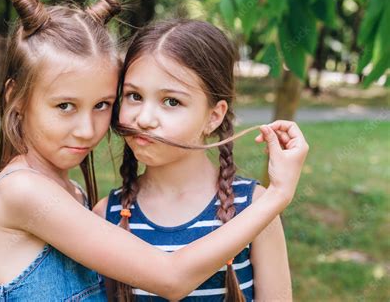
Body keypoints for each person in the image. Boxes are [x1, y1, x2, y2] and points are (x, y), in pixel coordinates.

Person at [0, 0, 309, 301]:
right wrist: (278, 195)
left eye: (103, 104)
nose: (87, 129)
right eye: (65, 106)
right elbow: (171, 277)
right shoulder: (25, 191)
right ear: (15, 99)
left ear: (214, 115)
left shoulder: (72, 193)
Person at [96, 19, 301, 301]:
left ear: (214, 116)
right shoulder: (108, 215)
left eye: (171, 101)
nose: (143, 119)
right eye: (134, 96)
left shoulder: (254, 210)